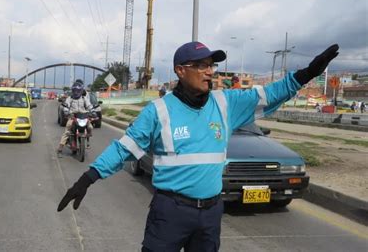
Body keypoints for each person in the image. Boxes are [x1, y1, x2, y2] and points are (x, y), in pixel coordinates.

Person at [57, 41, 339, 251]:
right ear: (181, 70)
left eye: (211, 65)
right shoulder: (159, 111)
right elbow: (124, 149)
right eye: (201, 65)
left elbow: (270, 94)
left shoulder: (226, 103)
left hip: (211, 213)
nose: (209, 72)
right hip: (170, 212)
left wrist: (307, 74)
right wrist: (88, 178)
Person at [57, 82, 94, 157]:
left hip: (83, 116)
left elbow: (89, 106)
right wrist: (66, 111)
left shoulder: (84, 98)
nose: (76, 92)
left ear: (81, 91)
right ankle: (60, 150)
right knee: (67, 131)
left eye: (78, 91)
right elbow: (66, 106)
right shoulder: (69, 98)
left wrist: (93, 112)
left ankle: (88, 137)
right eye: (74, 91)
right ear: (72, 91)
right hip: (73, 116)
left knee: (90, 127)